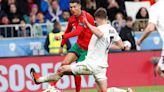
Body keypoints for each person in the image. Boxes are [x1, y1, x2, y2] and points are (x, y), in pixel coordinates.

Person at [30, 7, 133, 92]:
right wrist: (119, 45)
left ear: (97, 18)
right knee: (103, 91)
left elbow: (100, 34)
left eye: (95, 21)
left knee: (62, 69)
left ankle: (40, 80)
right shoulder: (112, 29)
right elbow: (120, 46)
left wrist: (88, 24)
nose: (95, 23)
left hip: (92, 64)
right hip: (102, 66)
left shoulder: (101, 29)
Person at [36, 0, 95, 92]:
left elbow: (77, 32)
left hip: (88, 49)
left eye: (75, 7)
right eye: (71, 7)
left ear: (79, 6)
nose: (72, 9)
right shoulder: (72, 19)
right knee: (63, 65)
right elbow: (67, 31)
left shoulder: (85, 17)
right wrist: (61, 45)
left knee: (77, 71)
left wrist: (61, 36)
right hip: (78, 46)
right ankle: (51, 86)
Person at [137, 0, 164, 77]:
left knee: (160, 69)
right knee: (159, 69)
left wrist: (140, 39)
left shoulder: (155, 8)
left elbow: (150, 28)